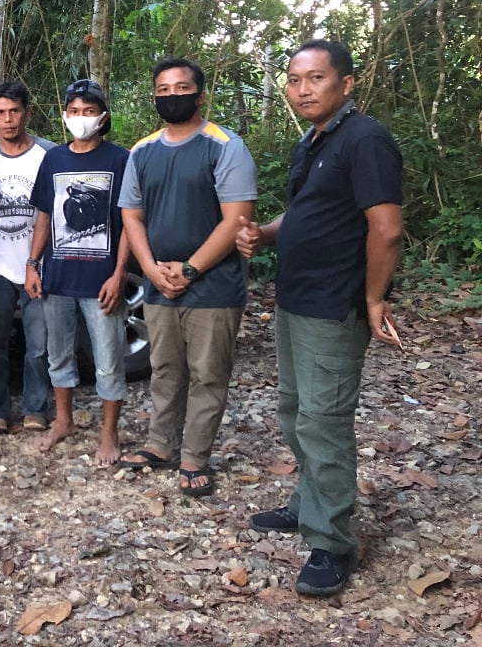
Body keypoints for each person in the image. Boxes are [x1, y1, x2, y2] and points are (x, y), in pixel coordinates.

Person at [236, 40, 403, 597]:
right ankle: (306, 503)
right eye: (293, 79)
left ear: (346, 83)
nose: (302, 89)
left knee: (324, 422)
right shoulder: (313, 140)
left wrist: (374, 299)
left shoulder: (366, 139)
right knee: (294, 410)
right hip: (294, 299)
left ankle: (331, 542)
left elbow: (386, 229)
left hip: (335, 305)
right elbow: (307, 212)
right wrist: (263, 234)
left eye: (315, 78)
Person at [116, 58, 256, 498]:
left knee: (208, 374)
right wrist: (152, 268)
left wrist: (192, 268)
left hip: (213, 286)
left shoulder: (225, 146)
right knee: (164, 370)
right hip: (159, 284)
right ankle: (160, 445)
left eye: (181, 88)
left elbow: (237, 219)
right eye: (163, 89)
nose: (172, 95)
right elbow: (132, 217)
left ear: (199, 94)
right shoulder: (141, 151)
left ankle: (194, 456)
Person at [25, 79, 132, 467]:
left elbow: (130, 222)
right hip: (58, 278)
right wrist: (32, 264)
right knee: (58, 355)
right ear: (64, 114)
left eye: (89, 111)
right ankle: (63, 421)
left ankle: (109, 434)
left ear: (103, 116)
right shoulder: (53, 159)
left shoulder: (121, 160)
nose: (81, 118)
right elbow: (44, 215)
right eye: (74, 111)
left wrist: (120, 274)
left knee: (108, 360)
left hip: (101, 281)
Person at [0, 82, 55, 435]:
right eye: (1, 113)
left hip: (38, 266)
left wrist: (37, 262)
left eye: (15, 111)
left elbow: (54, 212)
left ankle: (36, 408)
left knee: (38, 345)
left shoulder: (48, 156)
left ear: (27, 113)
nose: (9, 120)